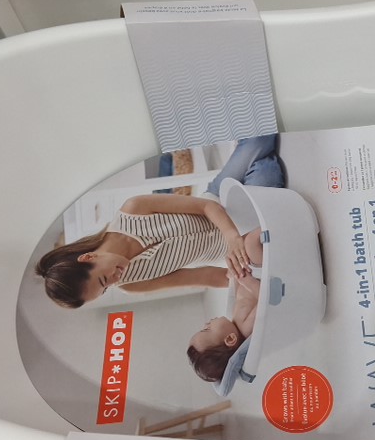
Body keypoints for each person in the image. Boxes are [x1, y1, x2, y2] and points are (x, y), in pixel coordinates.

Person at [36, 135, 282, 308]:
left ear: (88, 258)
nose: (114, 280)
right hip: (243, 240)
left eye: (103, 279)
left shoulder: (133, 209)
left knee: (260, 143)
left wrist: (232, 237)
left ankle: (253, 168)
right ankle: (254, 169)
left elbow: (206, 206)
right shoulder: (132, 285)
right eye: (106, 288)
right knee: (268, 175)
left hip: (217, 203)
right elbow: (207, 276)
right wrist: (254, 287)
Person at [186, 228, 263, 383]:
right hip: (263, 277)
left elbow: (240, 294)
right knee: (249, 243)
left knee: (237, 249)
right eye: (207, 329)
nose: (207, 323)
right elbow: (267, 300)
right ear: (230, 339)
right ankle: (283, 224)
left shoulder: (235, 322)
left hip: (252, 274)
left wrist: (234, 274)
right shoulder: (246, 328)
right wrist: (246, 281)